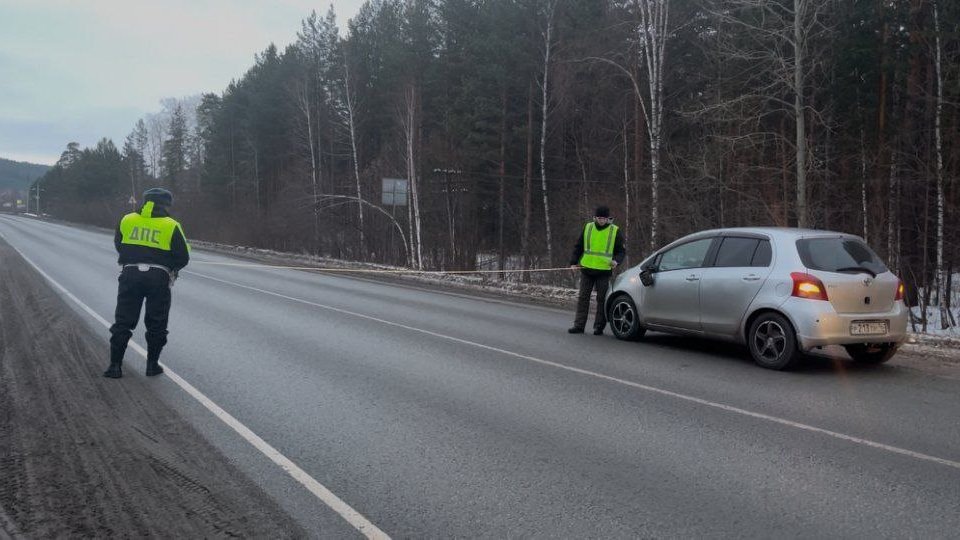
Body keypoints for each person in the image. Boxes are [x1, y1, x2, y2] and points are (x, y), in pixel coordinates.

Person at [104, 188, 190, 378]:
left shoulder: (127, 219)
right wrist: (171, 269)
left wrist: (132, 258)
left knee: (124, 321)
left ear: (144, 202)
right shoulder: (171, 225)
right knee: (157, 323)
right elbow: (183, 256)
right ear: (167, 205)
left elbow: (119, 243)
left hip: (130, 273)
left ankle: (114, 366)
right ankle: (152, 365)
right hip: (158, 277)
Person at [568, 205, 625, 335]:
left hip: (603, 272)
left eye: (604, 218)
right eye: (599, 218)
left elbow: (621, 251)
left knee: (601, 299)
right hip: (587, 269)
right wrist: (573, 262)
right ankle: (579, 326)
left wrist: (616, 261)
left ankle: (599, 326)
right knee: (583, 298)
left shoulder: (614, 230)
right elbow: (578, 246)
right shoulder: (588, 227)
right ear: (595, 217)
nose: (601, 220)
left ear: (608, 218)